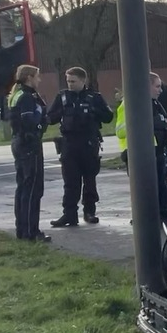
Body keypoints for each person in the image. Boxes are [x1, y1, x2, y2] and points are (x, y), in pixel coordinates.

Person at [47, 67, 114, 227]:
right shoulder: (62, 97)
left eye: (73, 81)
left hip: (88, 143)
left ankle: (89, 212)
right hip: (69, 143)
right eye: (68, 81)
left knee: (89, 180)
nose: (70, 84)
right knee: (70, 181)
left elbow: (108, 117)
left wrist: (93, 110)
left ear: (83, 81)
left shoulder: (94, 97)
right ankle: (69, 214)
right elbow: (51, 117)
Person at [6, 65, 49, 242]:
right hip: (29, 144)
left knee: (23, 187)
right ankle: (31, 232)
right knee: (33, 189)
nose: (39, 80)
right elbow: (29, 121)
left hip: (19, 142)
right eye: (37, 76)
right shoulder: (27, 96)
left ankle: (22, 230)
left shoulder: (17, 94)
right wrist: (41, 121)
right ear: (29, 78)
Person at [150, 72, 167, 226]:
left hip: (159, 150)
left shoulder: (155, 104)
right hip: (149, 152)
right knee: (152, 184)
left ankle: (165, 212)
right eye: (157, 86)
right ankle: (155, 214)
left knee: (162, 182)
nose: (160, 90)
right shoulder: (141, 105)